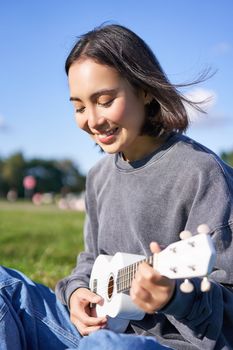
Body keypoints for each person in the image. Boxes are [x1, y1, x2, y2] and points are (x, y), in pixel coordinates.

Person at [0, 24, 233, 350]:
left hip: (159, 345)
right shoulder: (98, 175)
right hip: (94, 333)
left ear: (145, 90)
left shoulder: (202, 174)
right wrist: (77, 292)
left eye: (105, 100)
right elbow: (91, 260)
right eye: (79, 107)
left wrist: (174, 298)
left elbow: (228, 319)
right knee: (3, 286)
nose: (91, 120)